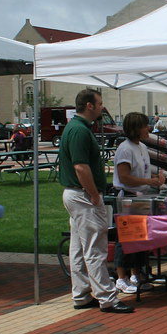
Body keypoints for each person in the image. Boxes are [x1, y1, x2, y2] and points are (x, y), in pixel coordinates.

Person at [59, 89, 133, 313]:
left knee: (79, 248)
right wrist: (93, 194)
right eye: (100, 103)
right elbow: (81, 167)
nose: (102, 107)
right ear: (89, 105)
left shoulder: (76, 128)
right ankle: (107, 297)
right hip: (83, 196)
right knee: (94, 248)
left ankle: (81, 294)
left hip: (75, 194)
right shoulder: (79, 131)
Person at [113, 112, 167, 294]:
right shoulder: (125, 149)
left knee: (139, 237)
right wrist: (148, 182)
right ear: (136, 128)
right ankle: (121, 277)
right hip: (128, 198)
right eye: (145, 126)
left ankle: (136, 273)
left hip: (140, 198)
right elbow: (125, 176)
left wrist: (153, 178)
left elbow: (140, 173)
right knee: (126, 238)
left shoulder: (142, 147)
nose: (148, 129)